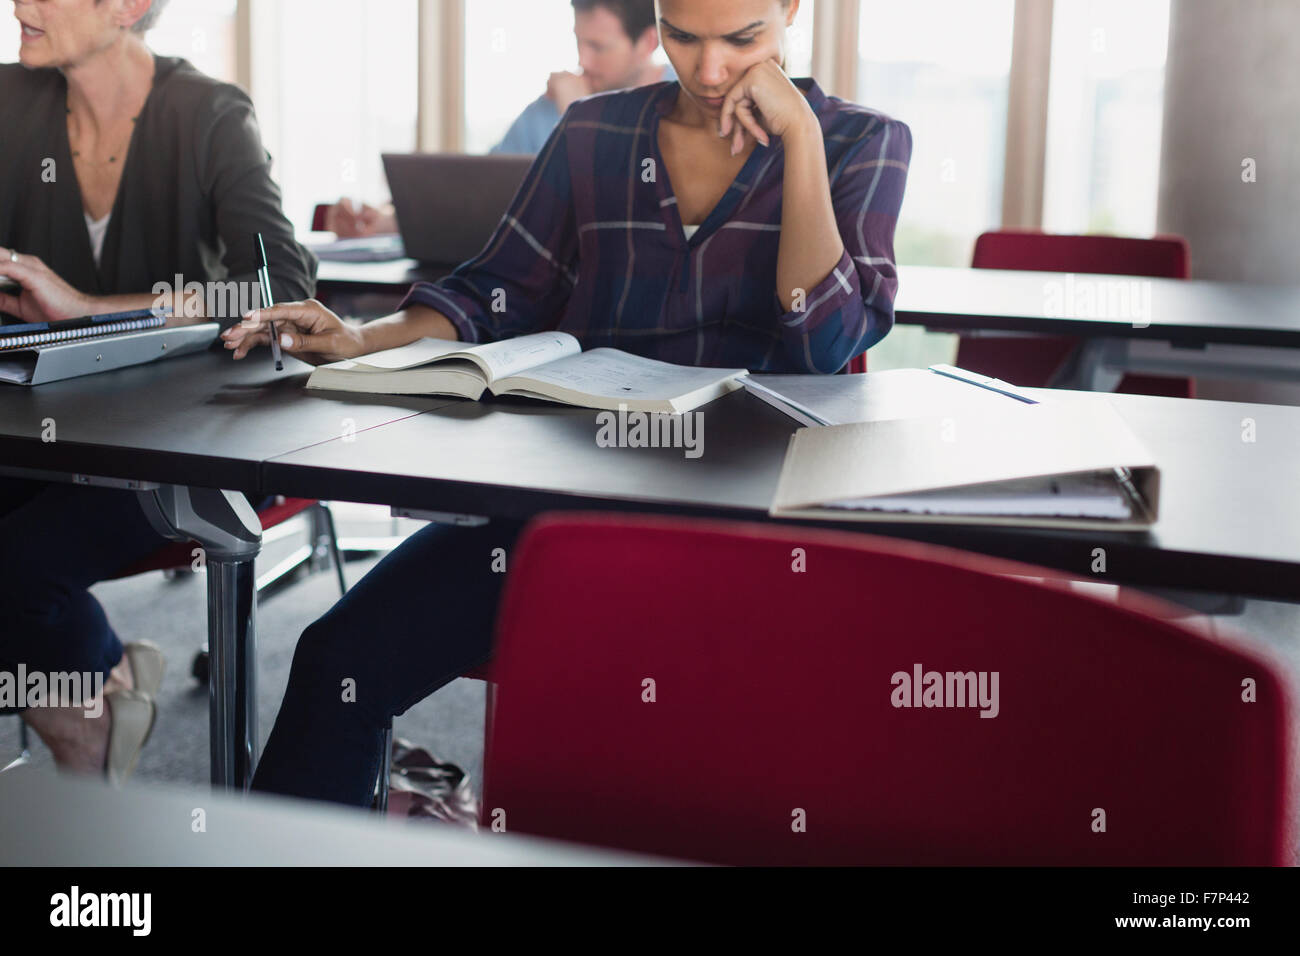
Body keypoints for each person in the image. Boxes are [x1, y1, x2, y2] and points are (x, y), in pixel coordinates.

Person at [228, 0, 911, 808]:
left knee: (660, 743)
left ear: (791, 10)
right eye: (686, 39)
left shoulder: (863, 141)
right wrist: (360, 339)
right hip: (562, 513)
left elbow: (824, 335)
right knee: (337, 658)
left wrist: (800, 140)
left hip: (744, 535)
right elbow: (495, 288)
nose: (713, 70)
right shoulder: (593, 132)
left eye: (744, 39)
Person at [0, 0, 315, 782]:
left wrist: (90, 310)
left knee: (17, 563)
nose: (18, 4)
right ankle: (106, 674)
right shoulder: (12, 102)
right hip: (39, 423)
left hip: (177, 441)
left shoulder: (207, 113)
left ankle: (89, 730)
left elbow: (283, 289)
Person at [325, 0, 673, 238]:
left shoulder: (682, 103)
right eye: (579, 42)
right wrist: (386, 221)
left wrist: (577, 115)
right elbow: (479, 199)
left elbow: (631, 212)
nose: (583, 59)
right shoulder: (544, 111)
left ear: (647, 42)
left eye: (598, 47)